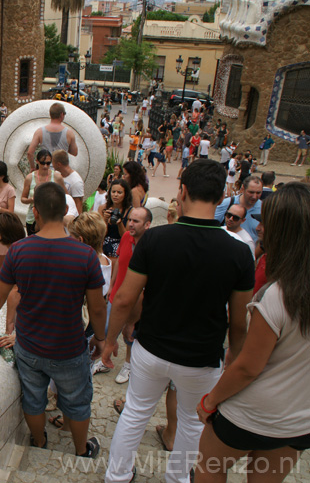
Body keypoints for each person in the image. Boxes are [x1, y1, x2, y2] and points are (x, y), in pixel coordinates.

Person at [101, 159, 254, 483]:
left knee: (135, 413)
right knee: (191, 422)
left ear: (182, 192)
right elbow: (239, 321)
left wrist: (111, 339)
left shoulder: (156, 240)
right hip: (201, 359)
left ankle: (117, 476)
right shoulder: (239, 253)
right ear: (221, 196)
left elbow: (126, 298)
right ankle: (178, 479)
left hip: (152, 349)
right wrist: (233, 354)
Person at [0, 181, 106, 458]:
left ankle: (39, 442)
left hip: (28, 346)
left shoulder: (20, 251)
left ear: (36, 213)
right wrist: (101, 340)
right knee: (77, 402)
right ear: (66, 209)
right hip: (69, 348)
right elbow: (97, 308)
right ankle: (81, 450)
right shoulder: (86, 256)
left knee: (33, 399)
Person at [195, 182, 310, 483]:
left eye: (265, 223)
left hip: (251, 413)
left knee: (209, 465)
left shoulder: (277, 296)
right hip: (298, 418)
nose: (259, 229)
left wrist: (210, 401)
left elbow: (248, 367)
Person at [91, 207, 151, 380]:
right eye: (130, 220)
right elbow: (118, 262)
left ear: (147, 224)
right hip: (117, 293)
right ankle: (104, 359)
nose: (130, 224)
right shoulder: (125, 237)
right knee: (108, 327)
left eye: (136, 221)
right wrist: (111, 285)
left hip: (138, 299)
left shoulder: (151, 245)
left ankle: (128, 365)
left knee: (130, 334)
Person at [21, 149, 63, 235]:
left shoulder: (57, 177)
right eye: (42, 163)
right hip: (33, 218)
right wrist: (32, 200)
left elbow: (64, 196)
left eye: (48, 163)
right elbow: (23, 199)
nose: (45, 166)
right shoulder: (30, 178)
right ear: (37, 161)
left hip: (51, 217)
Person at [26, 103, 79, 170]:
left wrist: (32, 167)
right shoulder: (69, 133)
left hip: (45, 170)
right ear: (62, 114)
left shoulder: (39, 132)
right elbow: (74, 153)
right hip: (62, 171)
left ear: (50, 114)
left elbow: (30, 153)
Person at [215, 174, 262, 242]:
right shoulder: (227, 203)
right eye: (251, 192)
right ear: (242, 188)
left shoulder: (264, 208)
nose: (254, 196)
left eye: (258, 193)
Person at [99, 179, 133, 262]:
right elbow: (100, 233)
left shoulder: (130, 211)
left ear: (125, 194)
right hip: (104, 245)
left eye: (119, 192)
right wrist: (105, 220)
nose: (115, 195)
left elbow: (126, 236)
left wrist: (119, 223)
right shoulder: (103, 208)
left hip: (120, 247)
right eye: (113, 192)